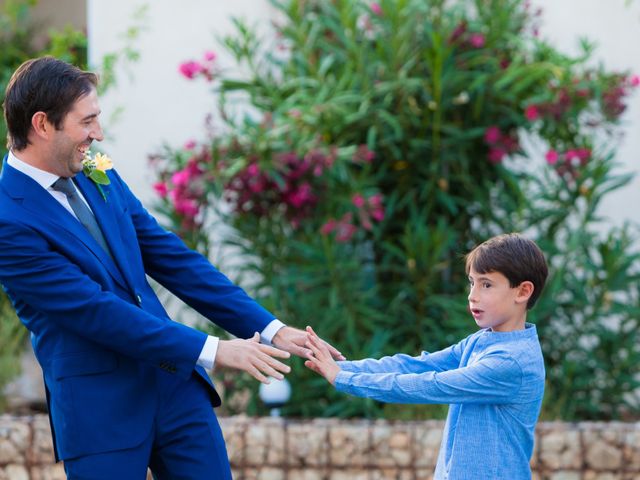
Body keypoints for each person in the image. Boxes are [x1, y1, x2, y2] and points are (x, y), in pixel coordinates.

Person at [0, 56, 342, 479]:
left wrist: (271, 328)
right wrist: (215, 351)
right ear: (42, 124)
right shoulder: (8, 221)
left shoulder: (93, 171)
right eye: (86, 122)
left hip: (175, 391)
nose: (97, 134)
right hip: (100, 410)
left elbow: (173, 259)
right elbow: (97, 311)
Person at [305, 233, 548, 480]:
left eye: (486, 284)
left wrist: (344, 379)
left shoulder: (511, 363)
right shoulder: (481, 341)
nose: (472, 295)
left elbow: (431, 384)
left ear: (522, 291)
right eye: (471, 282)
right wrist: (340, 367)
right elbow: (414, 365)